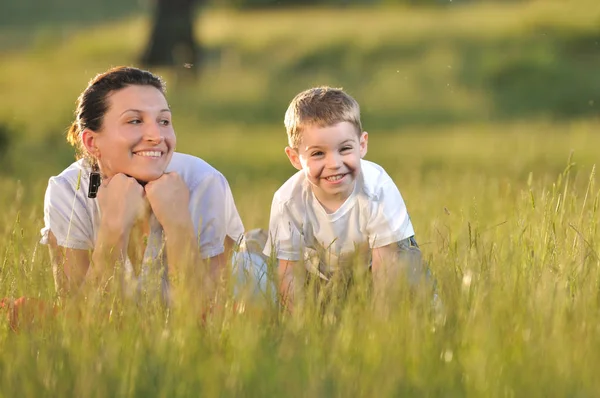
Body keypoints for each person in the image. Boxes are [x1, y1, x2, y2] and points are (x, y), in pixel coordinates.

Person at [39, 66, 244, 305]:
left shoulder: (203, 183)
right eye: (135, 121)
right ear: (92, 142)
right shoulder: (67, 192)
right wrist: (113, 226)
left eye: (164, 121)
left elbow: (209, 320)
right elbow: (77, 322)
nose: (156, 135)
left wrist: (178, 224)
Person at [263, 86, 425, 309]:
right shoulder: (288, 200)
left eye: (345, 149)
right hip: (323, 280)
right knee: (255, 265)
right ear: (295, 158)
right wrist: (299, 327)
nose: (334, 164)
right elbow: (290, 273)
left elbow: (385, 266)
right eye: (318, 153)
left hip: (378, 272)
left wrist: (379, 329)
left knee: (408, 263)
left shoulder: (377, 189)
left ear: (362, 145)